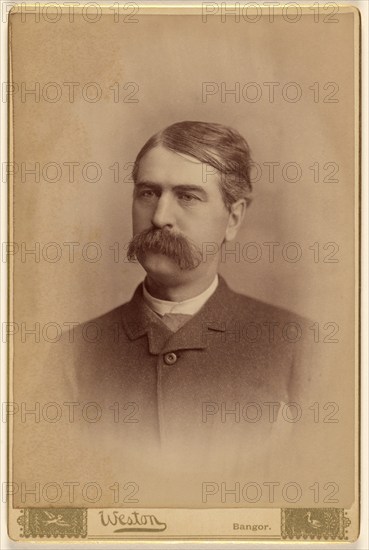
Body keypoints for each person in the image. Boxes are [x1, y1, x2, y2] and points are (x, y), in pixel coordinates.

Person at [43, 121, 324, 506]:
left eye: (188, 196)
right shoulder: (70, 355)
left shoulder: (300, 346)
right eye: (147, 193)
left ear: (234, 217)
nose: (159, 217)